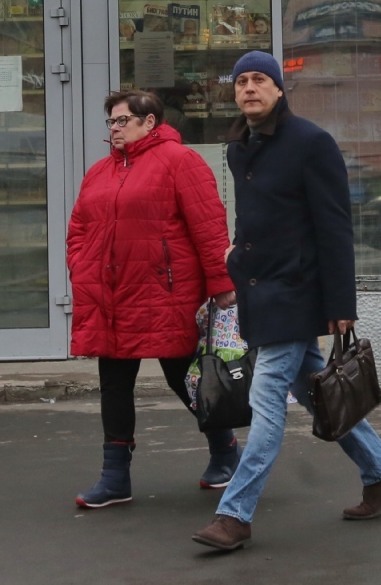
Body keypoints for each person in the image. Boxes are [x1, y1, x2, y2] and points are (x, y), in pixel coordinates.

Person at [191, 51, 381, 553]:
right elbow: (256, 219)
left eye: (259, 80)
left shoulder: (312, 142)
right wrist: (235, 256)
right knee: (316, 392)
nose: (249, 88)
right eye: (241, 81)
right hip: (259, 292)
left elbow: (333, 227)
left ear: (279, 89)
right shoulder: (239, 146)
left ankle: (235, 514)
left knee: (266, 402)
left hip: (296, 292)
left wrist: (341, 301)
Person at [66, 89, 239, 508]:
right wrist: (80, 265)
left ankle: (225, 450)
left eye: (123, 120)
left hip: (165, 293)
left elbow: (209, 226)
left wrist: (222, 286)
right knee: (114, 384)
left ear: (151, 123)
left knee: (183, 377)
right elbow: (79, 229)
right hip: (111, 296)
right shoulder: (99, 172)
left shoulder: (180, 161)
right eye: (111, 122)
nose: (115, 128)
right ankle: (114, 478)